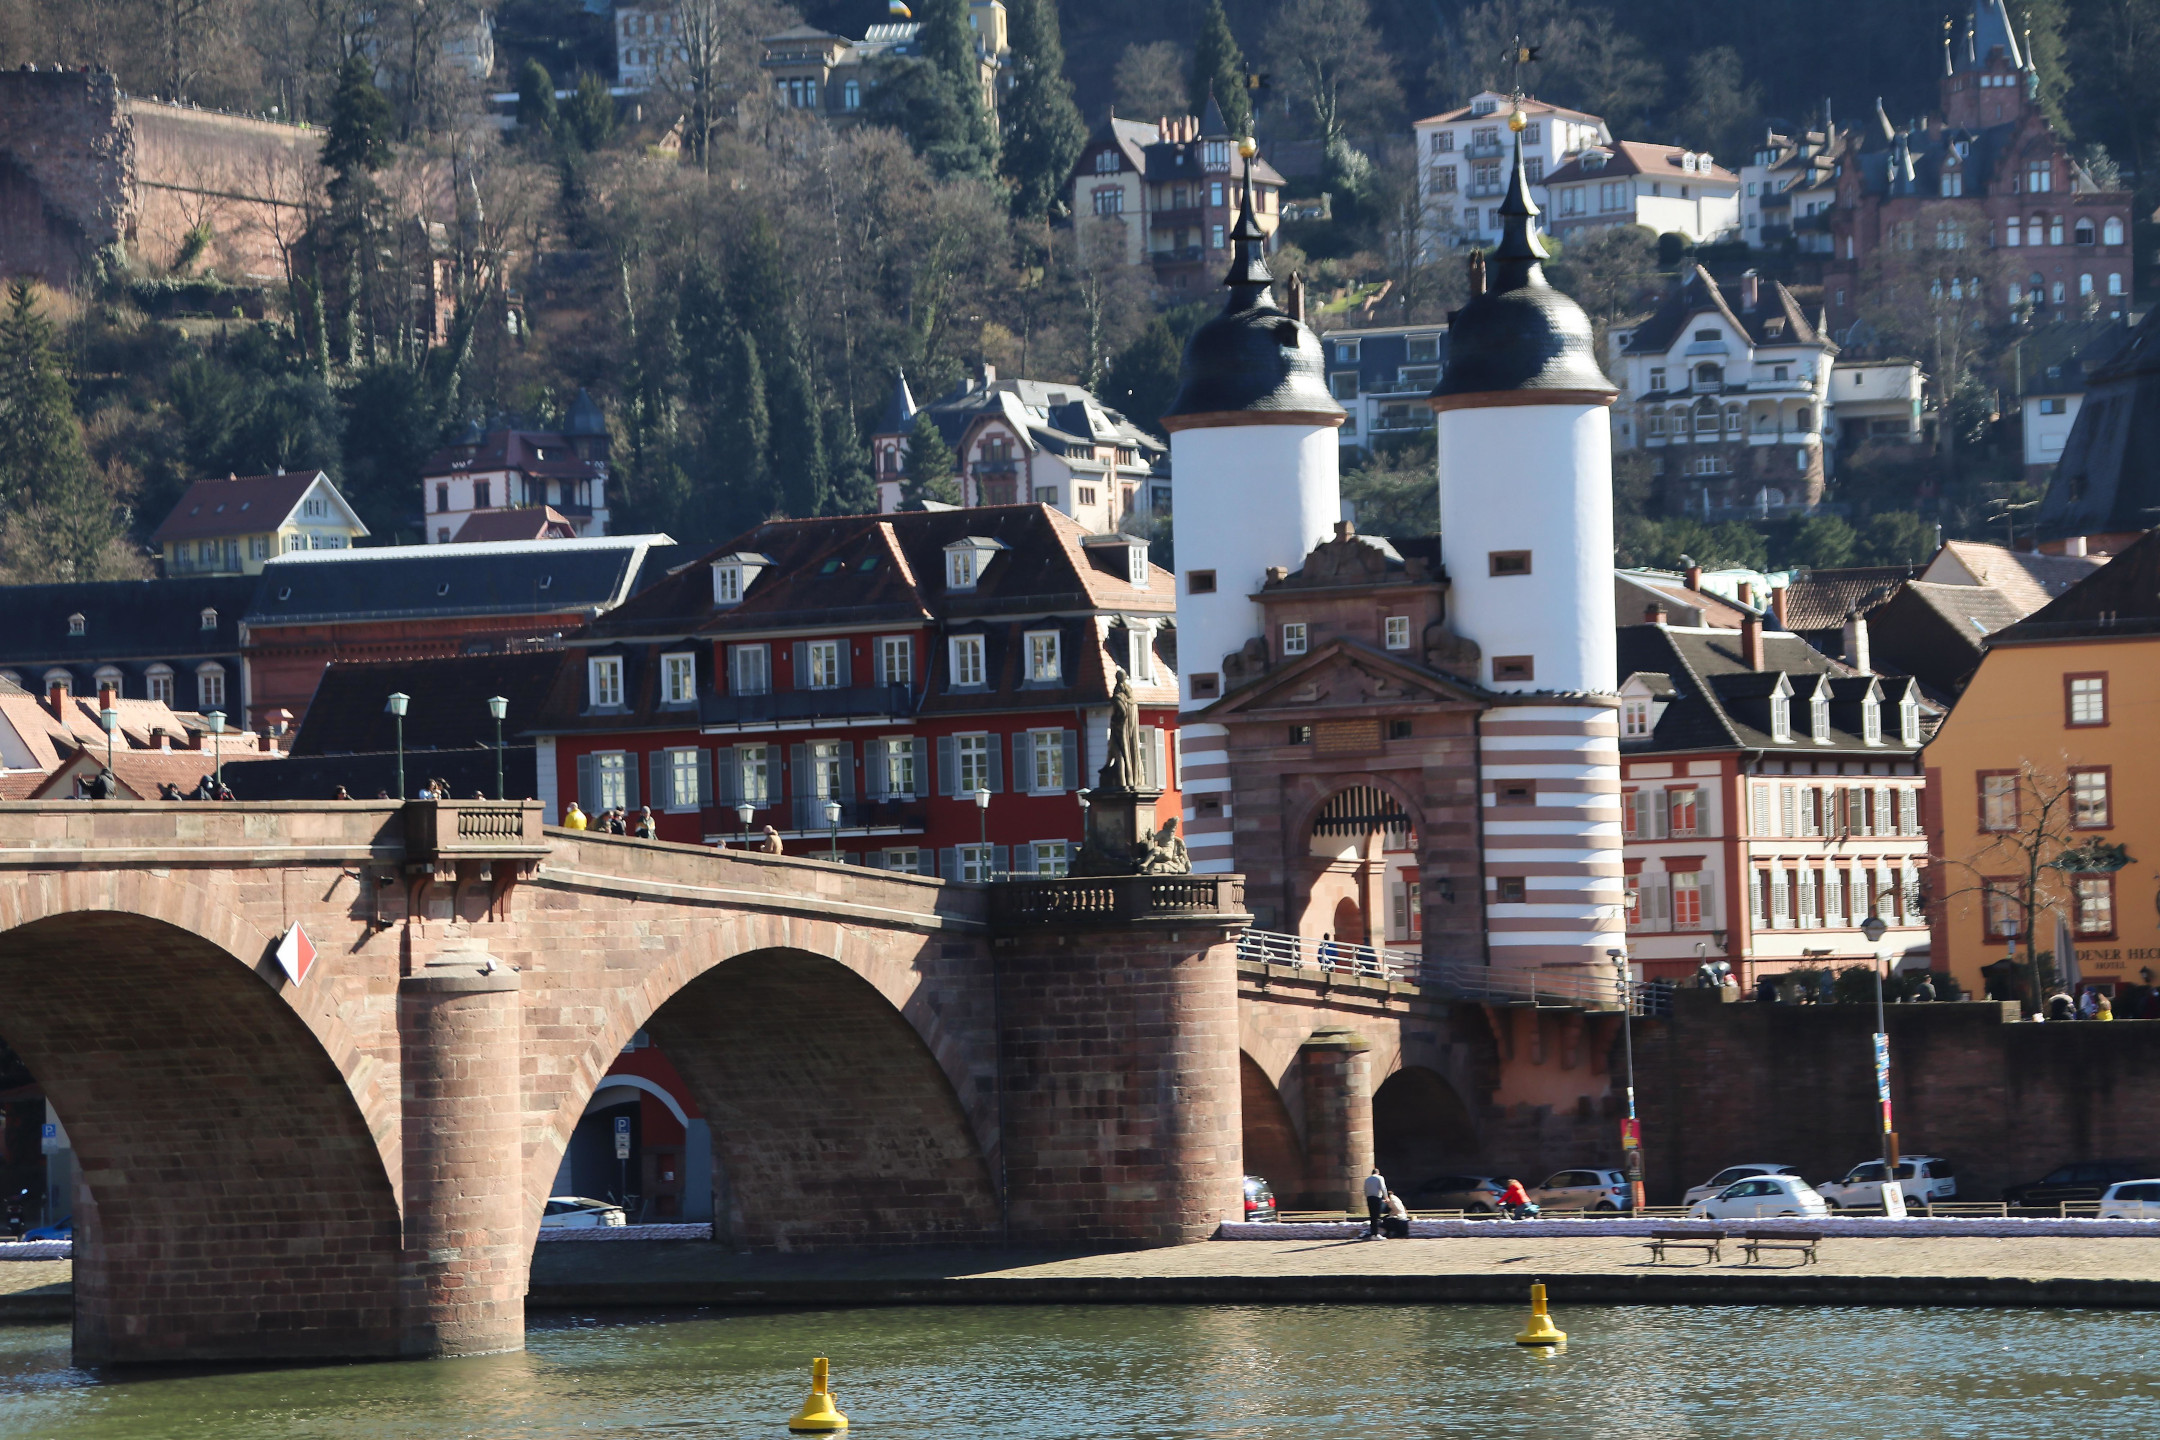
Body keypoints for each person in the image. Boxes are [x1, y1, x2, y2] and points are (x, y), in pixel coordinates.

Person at [1363, 1167, 1388, 1238]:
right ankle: (1376, 1234)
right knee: (1377, 1216)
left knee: (1372, 1216)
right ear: (1378, 1173)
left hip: (1369, 1198)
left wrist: (1367, 1197)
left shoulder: (1367, 1179)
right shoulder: (1380, 1178)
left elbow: (1365, 1189)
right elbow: (1383, 1188)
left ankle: (1373, 1234)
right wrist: (1386, 1197)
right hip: (1377, 1197)